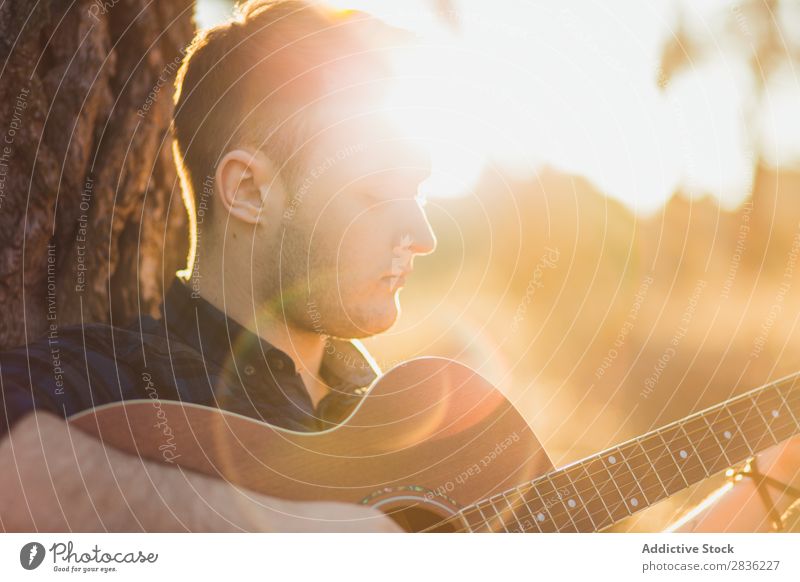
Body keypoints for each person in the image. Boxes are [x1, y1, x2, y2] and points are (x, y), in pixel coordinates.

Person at [0, 0, 796, 533]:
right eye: (378, 190)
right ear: (247, 191)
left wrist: (769, 484)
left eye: (419, 191)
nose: (421, 232)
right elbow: (19, 471)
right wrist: (331, 540)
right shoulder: (114, 381)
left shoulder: (431, 428)